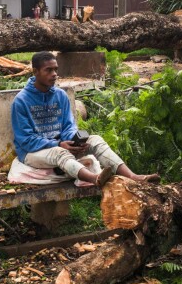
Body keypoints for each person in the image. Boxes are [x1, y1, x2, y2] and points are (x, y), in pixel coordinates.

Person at [11, 51, 160, 186]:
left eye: (56, 69)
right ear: (35, 72)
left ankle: (133, 176)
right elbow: (26, 140)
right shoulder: (21, 101)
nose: (54, 74)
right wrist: (58, 144)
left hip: (61, 145)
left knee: (95, 140)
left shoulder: (60, 95)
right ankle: (95, 179)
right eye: (48, 70)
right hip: (31, 153)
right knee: (59, 153)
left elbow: (69, 126)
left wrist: (75, 141)